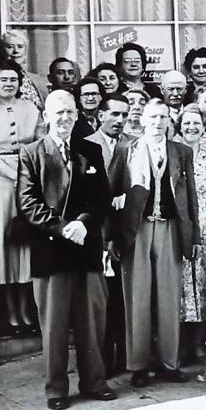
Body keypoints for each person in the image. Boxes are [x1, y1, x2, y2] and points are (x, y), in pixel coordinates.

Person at [18, 90, 116, 409]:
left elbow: (103, 196)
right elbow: (28, 203)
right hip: (51, 253)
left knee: (91, 321)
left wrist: (85, 223)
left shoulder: (90, 150)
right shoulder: (31, 153)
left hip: (86, 248)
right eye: (58, 113)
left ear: (78, 116)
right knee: (55, 326)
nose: (65, 118)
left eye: (70, 113)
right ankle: (56, 389)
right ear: (46, 116)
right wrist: (63, 227)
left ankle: (94, 382)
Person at [107, 99, 199, 388]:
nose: (158, 122)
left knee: (169, 297)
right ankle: (138, 364)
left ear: (170, 121)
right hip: (137, 231)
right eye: (153, 117)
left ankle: (169, 362)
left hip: (170, 228)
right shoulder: (126, 149)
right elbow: (111, 194)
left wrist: (192, 236)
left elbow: (190, 197)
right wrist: (110, 236)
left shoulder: (181, 152)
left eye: (163, 117)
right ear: (142, 120)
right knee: (137, 297)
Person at [0, 60, 42, 332]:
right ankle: (10, 313)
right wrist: (14, 175)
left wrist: (29, 175)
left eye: (13, 80)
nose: (9, 84)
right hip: (1, 182)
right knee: (4, 242)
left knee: (28, 241)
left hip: (31, 177)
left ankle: (27, 309)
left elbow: (41, 144)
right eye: (3, 79)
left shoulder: (31, 108)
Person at [84, 93, 129, 373]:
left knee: (122, 299)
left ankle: (126, 358)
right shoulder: (86, 146)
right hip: (95, 234)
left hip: (124, 234)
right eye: (114, 114)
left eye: (124, 115)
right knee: (97, 301)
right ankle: (100, 362)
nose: (120, 120)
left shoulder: (131, 145)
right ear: (101, 115)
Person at [174, 104, 206, 374]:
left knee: (204, 282)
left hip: (205, 220)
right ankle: (180, 343)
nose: (192, 128)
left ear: (204, 126)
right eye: (187, 123)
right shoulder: (173, 150)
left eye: (197, 123)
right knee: (181, 282)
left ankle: (200, 342)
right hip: (181, 221)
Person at [0, 29, 49, 110]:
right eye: (10, 47)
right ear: (1, 50)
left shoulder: (37, 80)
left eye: (20, 47)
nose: (16, 51)